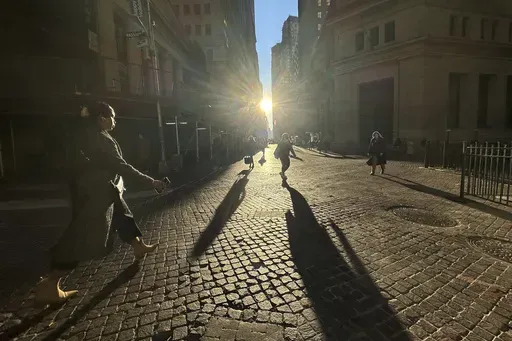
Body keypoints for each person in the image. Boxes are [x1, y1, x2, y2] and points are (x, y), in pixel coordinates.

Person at [35, 101, 167, 304]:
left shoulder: (89, 134)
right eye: (112, 116)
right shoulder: (99, 139)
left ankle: (138, 246)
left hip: (101, 189)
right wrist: (152, 182)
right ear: (101, 118)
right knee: (83, 236)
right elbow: (121, 166)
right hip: (97, 193)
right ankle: (50, 284)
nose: (115, 120)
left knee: (123, 215)